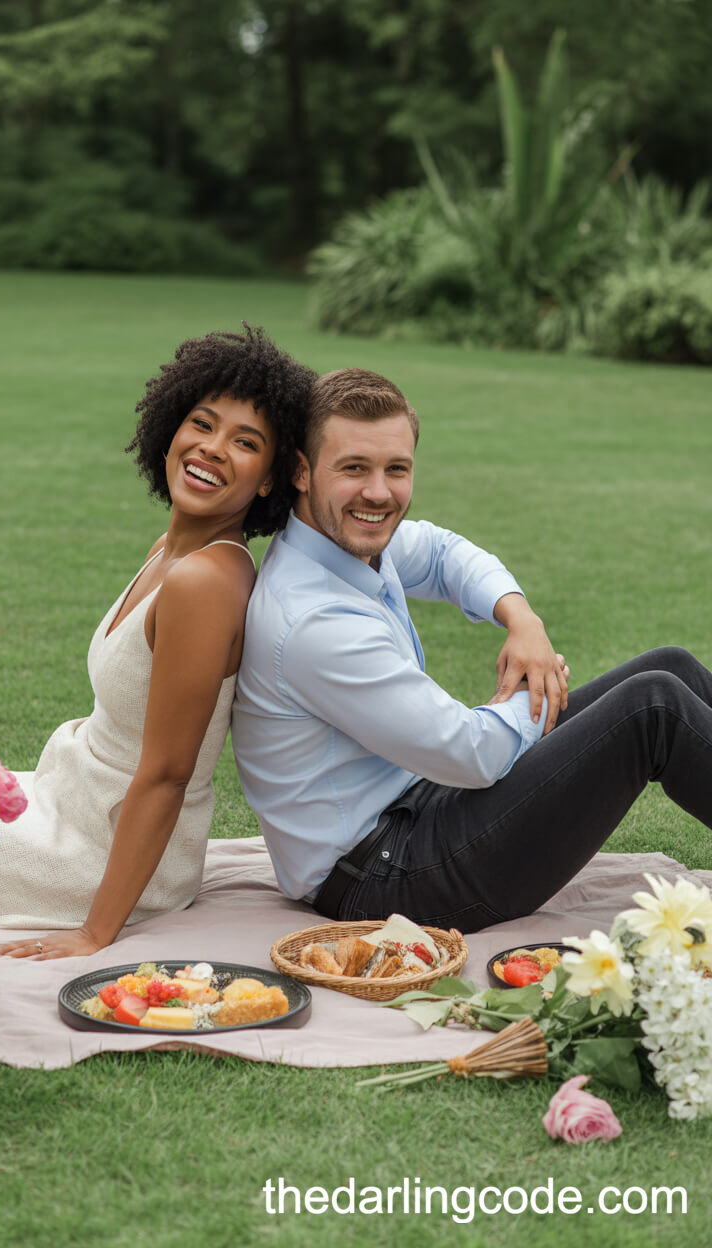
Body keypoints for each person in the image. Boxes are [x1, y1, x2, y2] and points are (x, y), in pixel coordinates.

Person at [231, 367, 712, 931]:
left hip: (417, 809)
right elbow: (470, 753)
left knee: (670, 665)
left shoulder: (342, 541)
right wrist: (539, 689)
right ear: (302, 472)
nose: (379, 492)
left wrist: (522, 619)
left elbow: (440, 553)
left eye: (396, 469)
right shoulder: (313, 620)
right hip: (386, 881)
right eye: (354, 468)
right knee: (653, 708)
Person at [0, 326, 315, 959]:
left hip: (105, 852)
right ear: (170, 428)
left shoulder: (204, 582)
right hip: (69, 798)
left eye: (245, 443)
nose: (213, 449)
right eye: (202, 423)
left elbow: (167, 775)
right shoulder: (173, 550)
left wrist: (94, 932)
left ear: (271, 479)